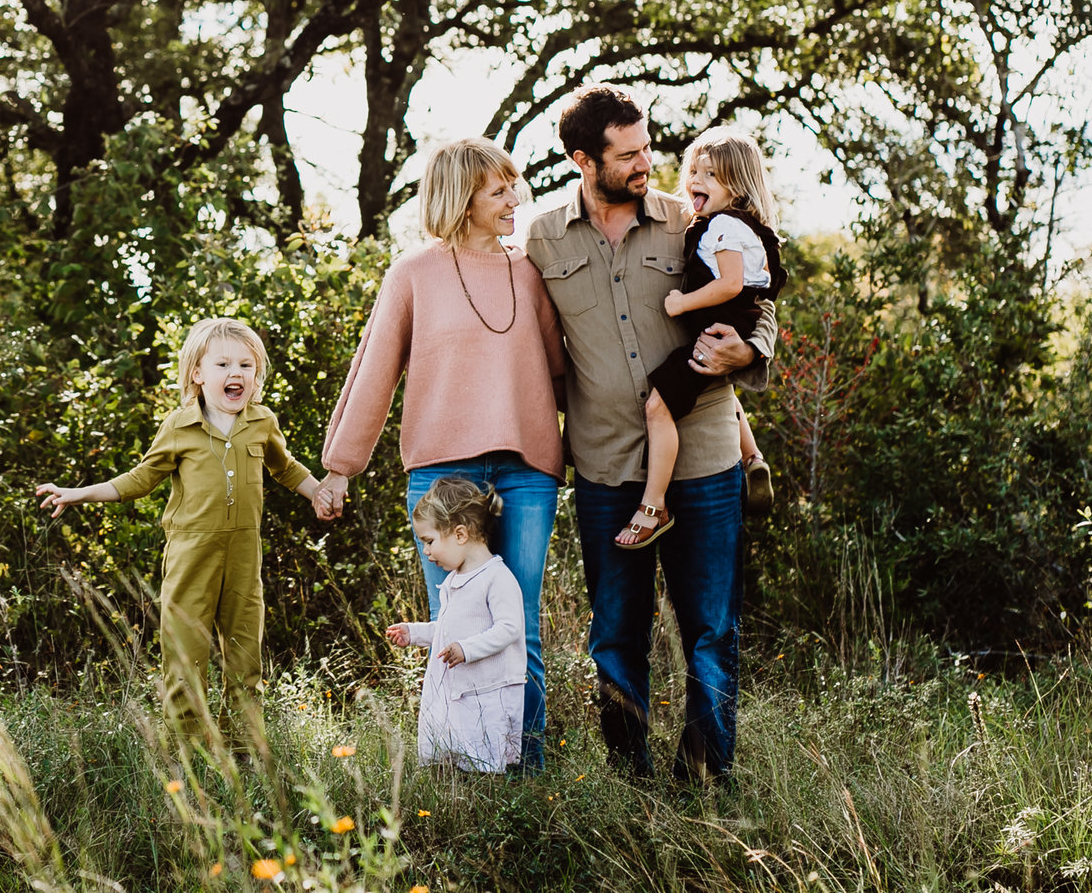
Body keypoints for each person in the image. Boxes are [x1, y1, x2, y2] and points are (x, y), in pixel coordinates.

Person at [521, 85, 780, 781]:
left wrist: (751, 352)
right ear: (582, 158)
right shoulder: (541, 238)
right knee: (614, 638)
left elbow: (759, 297)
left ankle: (703, 780)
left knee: (710, 631)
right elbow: (527, 347)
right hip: (605, 468)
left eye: (647, 146)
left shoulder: (689, 219)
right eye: (628, 153)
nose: (648, 163)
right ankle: (631, 784)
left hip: (704, 457)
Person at [315, 136, 567, 768]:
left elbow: (563, 370)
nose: (515, 199)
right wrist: (340, 468)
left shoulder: (528, 270)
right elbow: (373, 371)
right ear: (462, 198)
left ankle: (523, 770)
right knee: (455, 627)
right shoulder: (413, 273)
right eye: (499, 189)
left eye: (515, 184)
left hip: (526, 468)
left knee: (522, 624)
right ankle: (461, 767)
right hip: (443, 473)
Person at [37, 317, 334, 748]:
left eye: (246, 366)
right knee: (186, 656)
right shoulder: (179, 426)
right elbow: (141, 478)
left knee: (245, 654)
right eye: (223, 364)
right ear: (197, 373)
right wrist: (79, 493)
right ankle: (187, 758)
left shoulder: (262, 421)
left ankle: (244, 753)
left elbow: (285, 468)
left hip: (243, 553)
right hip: (191, 552)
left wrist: (318, 493)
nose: (236, 374)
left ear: (257, 375)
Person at [614, 127, 788, 549]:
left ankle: (653, 506)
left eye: (710, 175)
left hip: (719, 326)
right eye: (694, 171)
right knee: (720, 387)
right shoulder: (741, 225)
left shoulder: (724, 226)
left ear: (738, 186)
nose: (695, 181)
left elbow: (729, 285)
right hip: (734, 325)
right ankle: (753, 457)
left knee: (658, 407)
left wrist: (681, 303)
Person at [386, 477, 526, 773]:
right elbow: (450, 630)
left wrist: (467, 649)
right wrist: (415, 633)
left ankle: (491, 797)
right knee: (459, 758)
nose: (426, 552)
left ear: (460, 534)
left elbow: (509, 628)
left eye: (429, 541)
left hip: (488, 688)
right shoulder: (454, 580)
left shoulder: (496, 578)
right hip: (462, 689)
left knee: (486, 758)